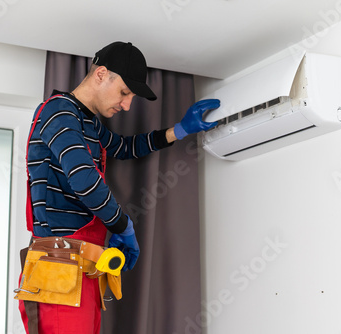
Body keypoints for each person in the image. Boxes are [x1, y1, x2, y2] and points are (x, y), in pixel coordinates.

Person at [17, 41, 219, 334]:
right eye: (124, 92)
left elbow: (123, 147)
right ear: (101, 74)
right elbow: (85, 182)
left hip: (82, 270)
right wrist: (124, 227)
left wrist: (181, 129)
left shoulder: (87, 121)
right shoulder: (59, 113)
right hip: (58, 269)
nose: (126, 105)